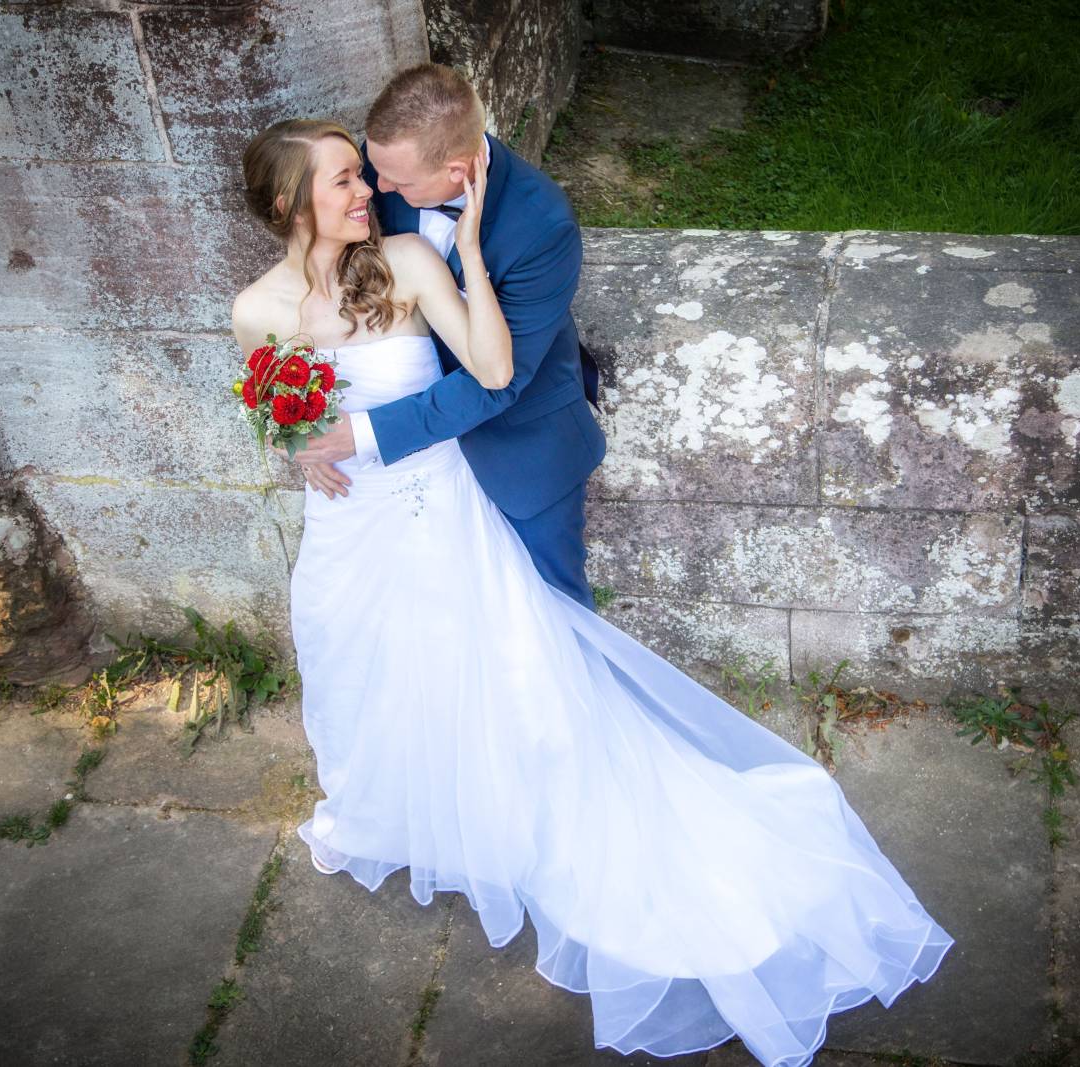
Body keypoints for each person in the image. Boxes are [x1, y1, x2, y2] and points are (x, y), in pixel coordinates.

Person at [231, 112, 953, 1067]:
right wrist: (298, 447)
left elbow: (492, 369)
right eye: (344, 180)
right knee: (366, 664)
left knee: (503, 670)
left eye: (364, 175)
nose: (368, 188)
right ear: (290, 203)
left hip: (436, 502)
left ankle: (508, 817)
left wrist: (469, 252)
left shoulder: (405, 260)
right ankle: (407, 811)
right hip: (347, 526)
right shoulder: (256, 308)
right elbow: (277, 411)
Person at [285, 63, 605, 610]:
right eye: (370, 170)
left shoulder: (542, 227)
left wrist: (357, 435)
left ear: (458, 171)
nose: (376, 190)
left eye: (397, 183)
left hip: (519, 442)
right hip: (408, 469)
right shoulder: (388, 165)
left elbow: (502, 381)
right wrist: (304, 432)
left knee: (550, 612)